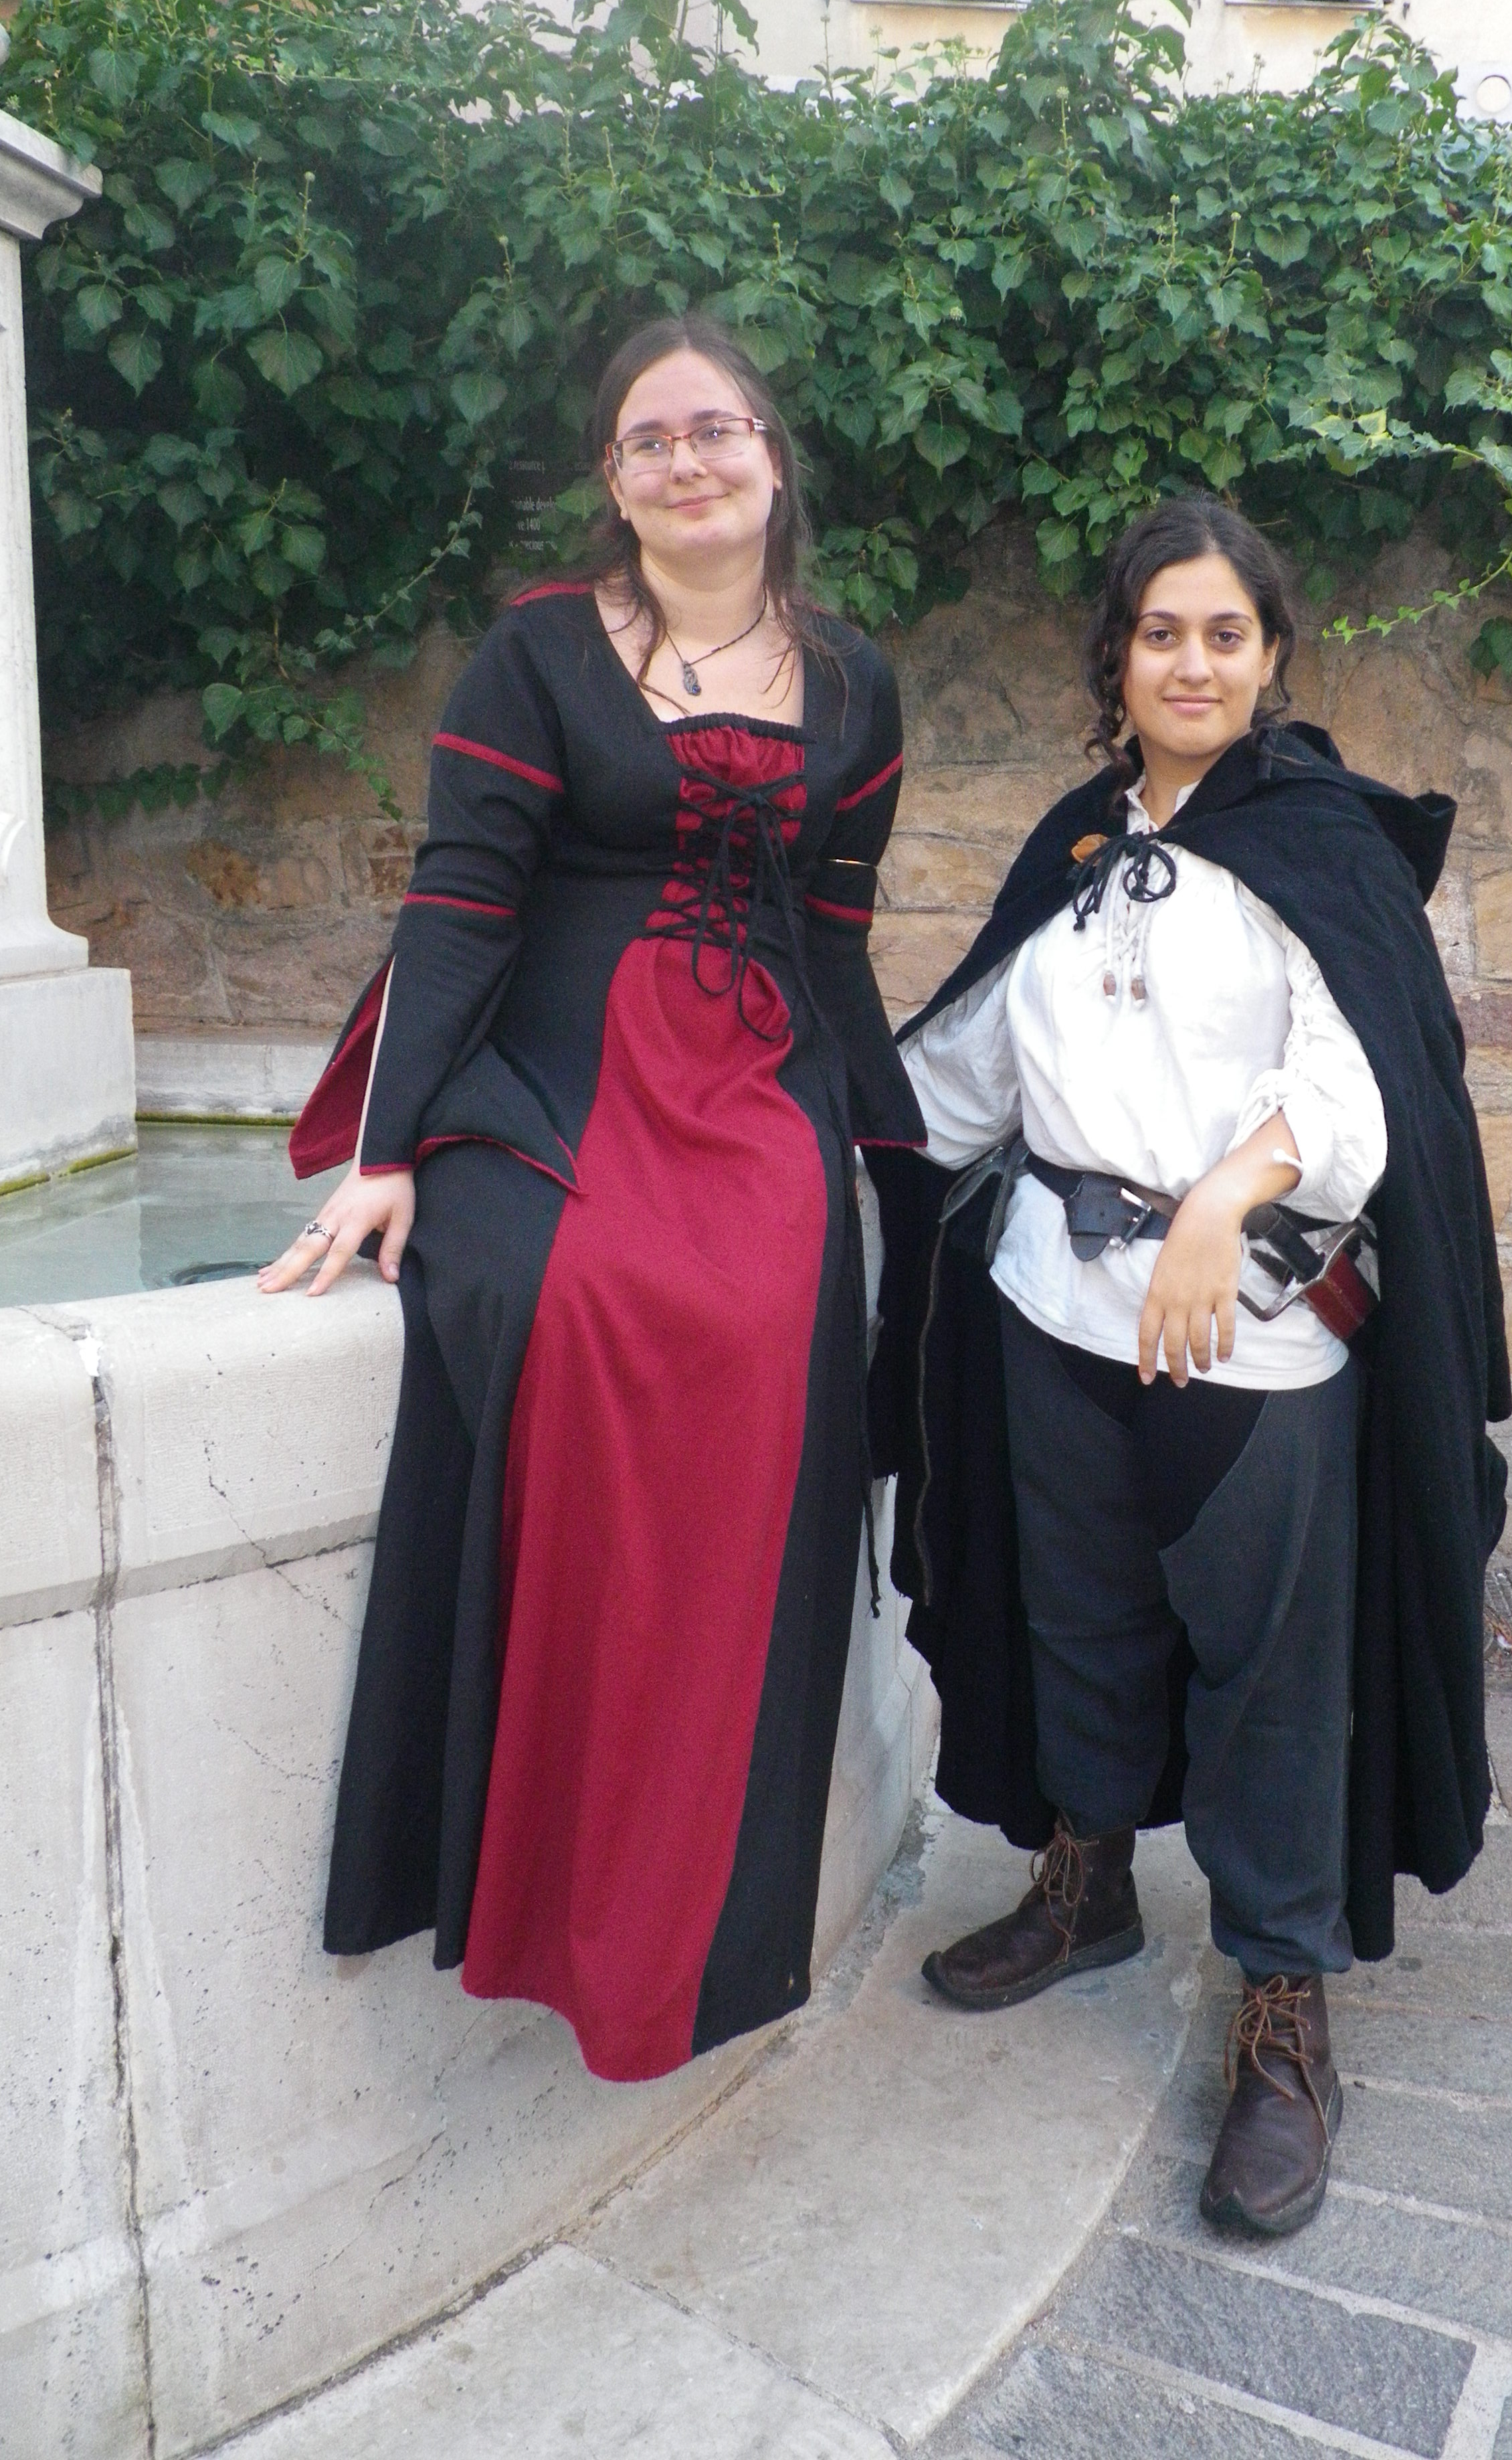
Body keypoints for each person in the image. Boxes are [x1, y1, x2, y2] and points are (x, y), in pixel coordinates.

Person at [262, 314, 924, 2083]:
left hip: (758, 1076)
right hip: (554, 1069)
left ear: (771, 456)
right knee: (577, 1306)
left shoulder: (855, 682)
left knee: (763, 1327)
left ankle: (688, 1906)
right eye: (649, 440)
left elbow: (838, 937)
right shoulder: (540, 651)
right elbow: (462, 900)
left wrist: (895, 1152)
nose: (686, 460)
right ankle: (543, 1861)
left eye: (715, 429)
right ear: (614, 482)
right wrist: (388, 1148)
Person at [868, 495, 1510, 2238]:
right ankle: (1086, 1884)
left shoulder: (1322, 846)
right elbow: (963, 1074)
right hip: (1054, 1315)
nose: (1194, 662)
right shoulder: (1077, 847)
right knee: (1076, 1619)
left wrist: (1229, 1194)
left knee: (1267, 1679)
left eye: (1227, 633)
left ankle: (1284, 2002)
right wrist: (769, 1135)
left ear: (1271, 654)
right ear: (1119, 655)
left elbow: (1363, 1084)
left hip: (1255, 1344)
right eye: (1163, 633)